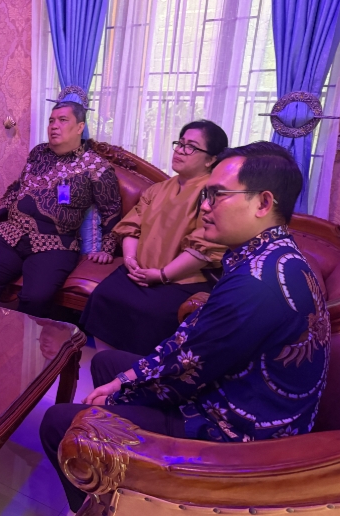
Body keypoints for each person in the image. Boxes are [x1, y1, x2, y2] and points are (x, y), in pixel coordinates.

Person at [40, 141, 330, 513]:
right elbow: (193, 339)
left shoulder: (256, 285)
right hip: (238, 392)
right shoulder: (275, 255)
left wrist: (118, 393)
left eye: (217, 195)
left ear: (262, 203)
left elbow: (186, 370)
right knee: (105, 363)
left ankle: (106, 503)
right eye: (206, 194)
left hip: (236, 435)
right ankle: (116, 487)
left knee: (61, 422)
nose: (205, 206)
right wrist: (124, 380)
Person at [0, 86, 122, 317]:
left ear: (80, 127)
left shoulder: (96, 167)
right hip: (12, 234)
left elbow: (111, 209)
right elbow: (18, 188)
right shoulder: (38, 153)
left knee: (35, 299)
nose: (54, 126)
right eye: (51, 121)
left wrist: (107, 249)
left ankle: (25, 338)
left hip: (55, 244)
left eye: (62, 120)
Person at [80, 120, 229, 355]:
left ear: (211, 159)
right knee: (104, 296)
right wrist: (130, 259)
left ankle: (141, 372)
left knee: (153, 313)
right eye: (180, 143)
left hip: (182, 279)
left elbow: (205, 247)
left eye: (191, 147)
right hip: (139, 269)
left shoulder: (213, 196)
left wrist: (162, 275)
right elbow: (131, 227)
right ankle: (106, 365)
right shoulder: (157, 189)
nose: (180, 150)